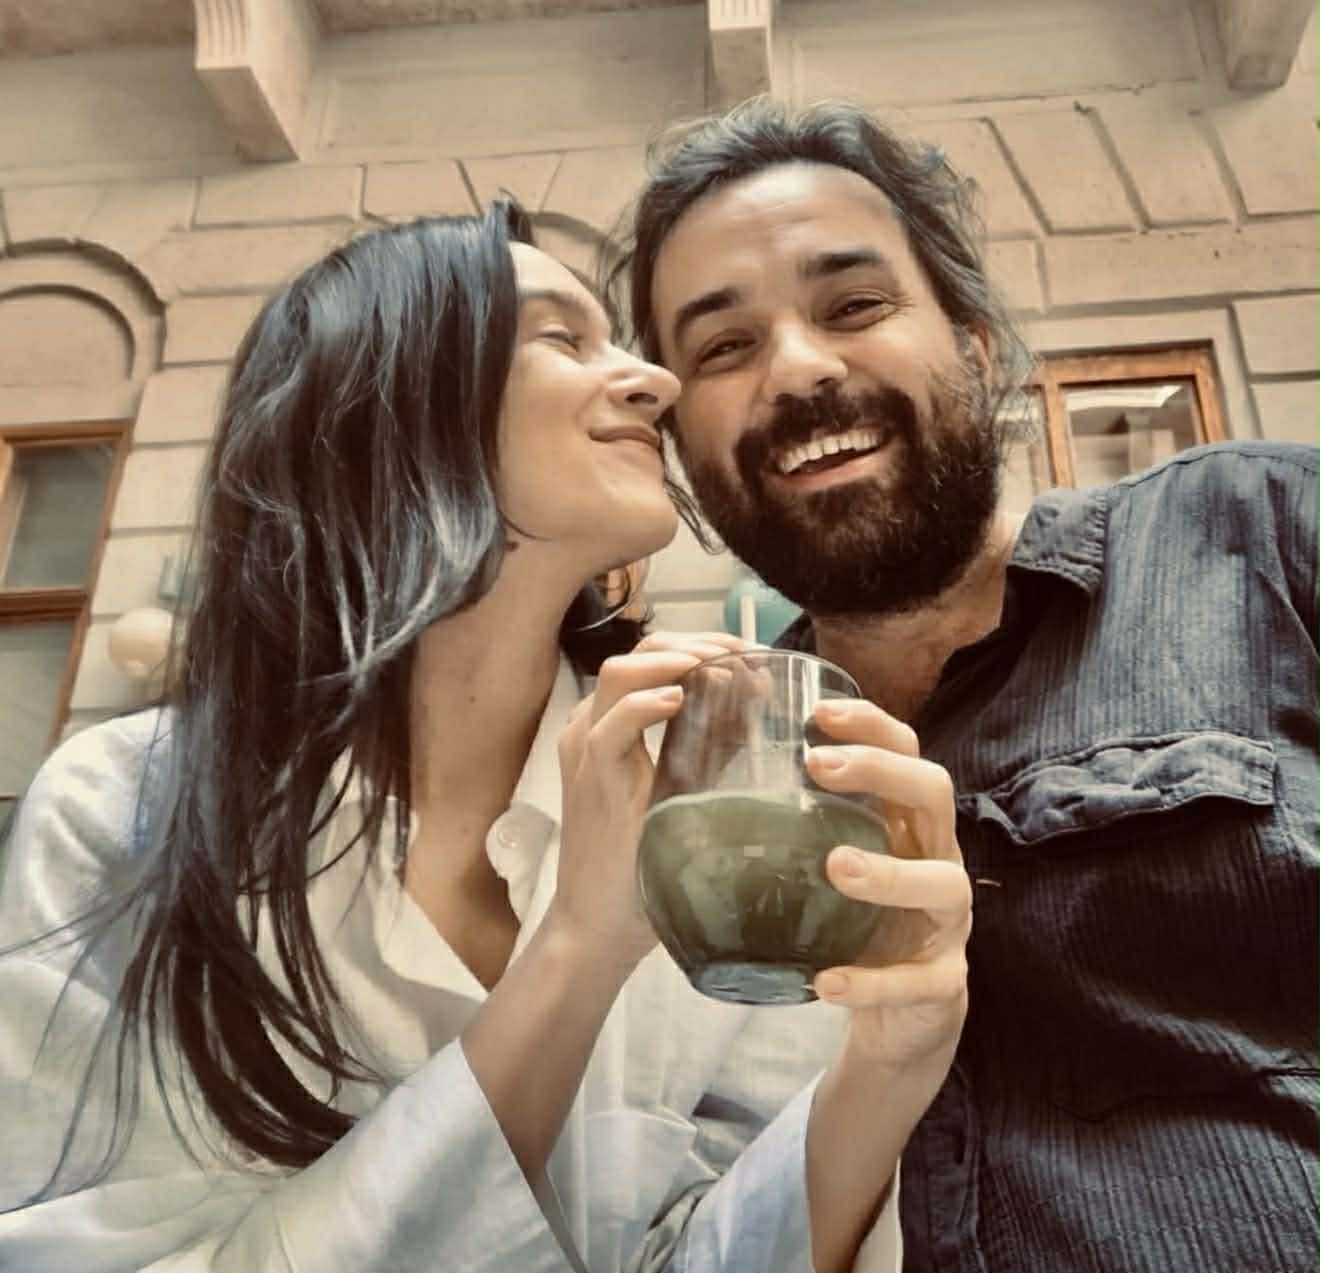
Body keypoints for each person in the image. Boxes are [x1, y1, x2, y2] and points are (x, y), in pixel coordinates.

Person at [0, 201, 973, 1272]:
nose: (656, 381)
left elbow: (704, 1252)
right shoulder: (119, 812)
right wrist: (578, 951)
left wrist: (889, 1062)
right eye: (563, 337)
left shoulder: (705, 806)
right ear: (385, 401)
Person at [611, 97, 1320, 1272]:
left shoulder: (1264, 529)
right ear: (685, 446)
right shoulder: (692, 790)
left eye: (854, 305)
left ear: (979, 347)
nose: (798, 368)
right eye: (723, 347)